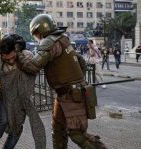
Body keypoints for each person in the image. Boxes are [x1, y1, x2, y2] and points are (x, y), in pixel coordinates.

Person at [16, 14, 107, 149]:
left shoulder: (50, 42)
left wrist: (18, 53)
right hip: (67, 93)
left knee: (77, 134)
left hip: (71, 94)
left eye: (35, 33)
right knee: (58, 130)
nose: (35, 36)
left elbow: (32, 67)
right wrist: (77, 80)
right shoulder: (63, 39)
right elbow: (80, 61)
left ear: (40, 30)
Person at [0, 34, 46, 149]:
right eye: (7, 59)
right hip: (5, 96)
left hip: (21, 98)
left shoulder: (26, 55)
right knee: (3, 120)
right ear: (1, 55)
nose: (11, 61)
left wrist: (21, 59)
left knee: (16, 127)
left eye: (13, 57)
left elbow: (33, 69)